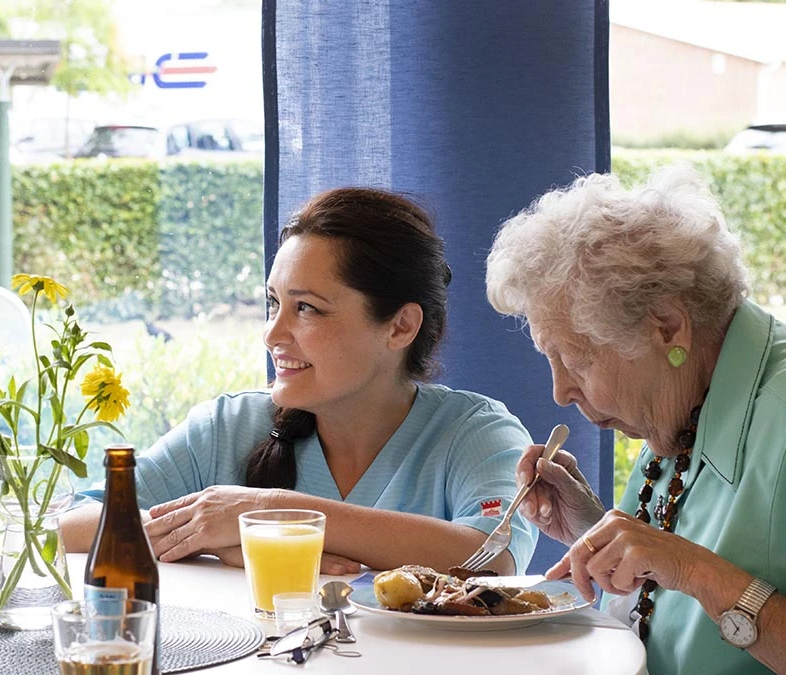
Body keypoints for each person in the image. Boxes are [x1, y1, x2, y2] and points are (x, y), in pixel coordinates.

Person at [63, 187, 538, 576]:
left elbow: (491, 557)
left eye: (306, 308)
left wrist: (270, 514)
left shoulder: (475, 433)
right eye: (274, 303)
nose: (272, 334)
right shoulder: (228, 425)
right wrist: (212, 540)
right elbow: (67, 525)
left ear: (400, 327)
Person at [485, 165, 786, 674]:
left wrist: (693, 569)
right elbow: (672, 589)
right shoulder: (685, 392)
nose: (560, 391)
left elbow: (691, 567)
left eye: (578, 360)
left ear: (668, 327)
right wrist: (594, 530)